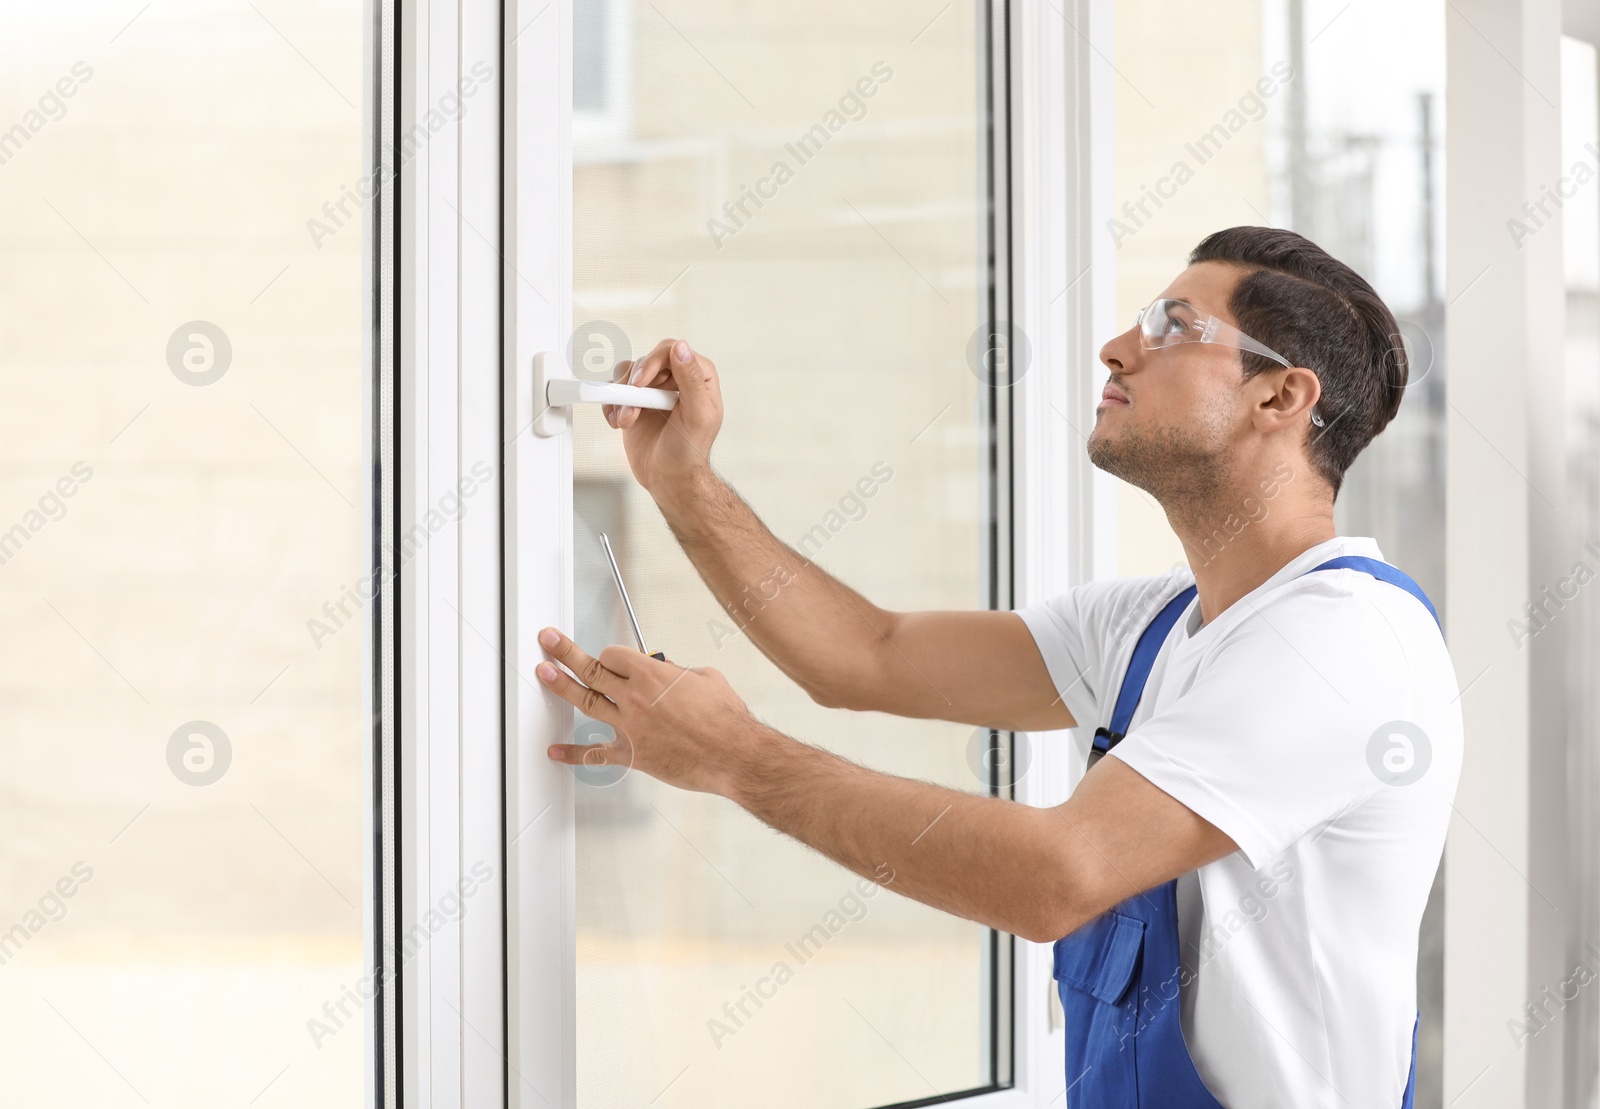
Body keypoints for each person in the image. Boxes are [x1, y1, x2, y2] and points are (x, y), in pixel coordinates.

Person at [534, 225, 1462, 1108]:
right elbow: (866, 655)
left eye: (1169, 328)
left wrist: (739, 758)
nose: (1113, 348)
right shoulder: (1152, 625)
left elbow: (1054, 875)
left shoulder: (1342, 640)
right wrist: (682, 482)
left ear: (1280, 398)